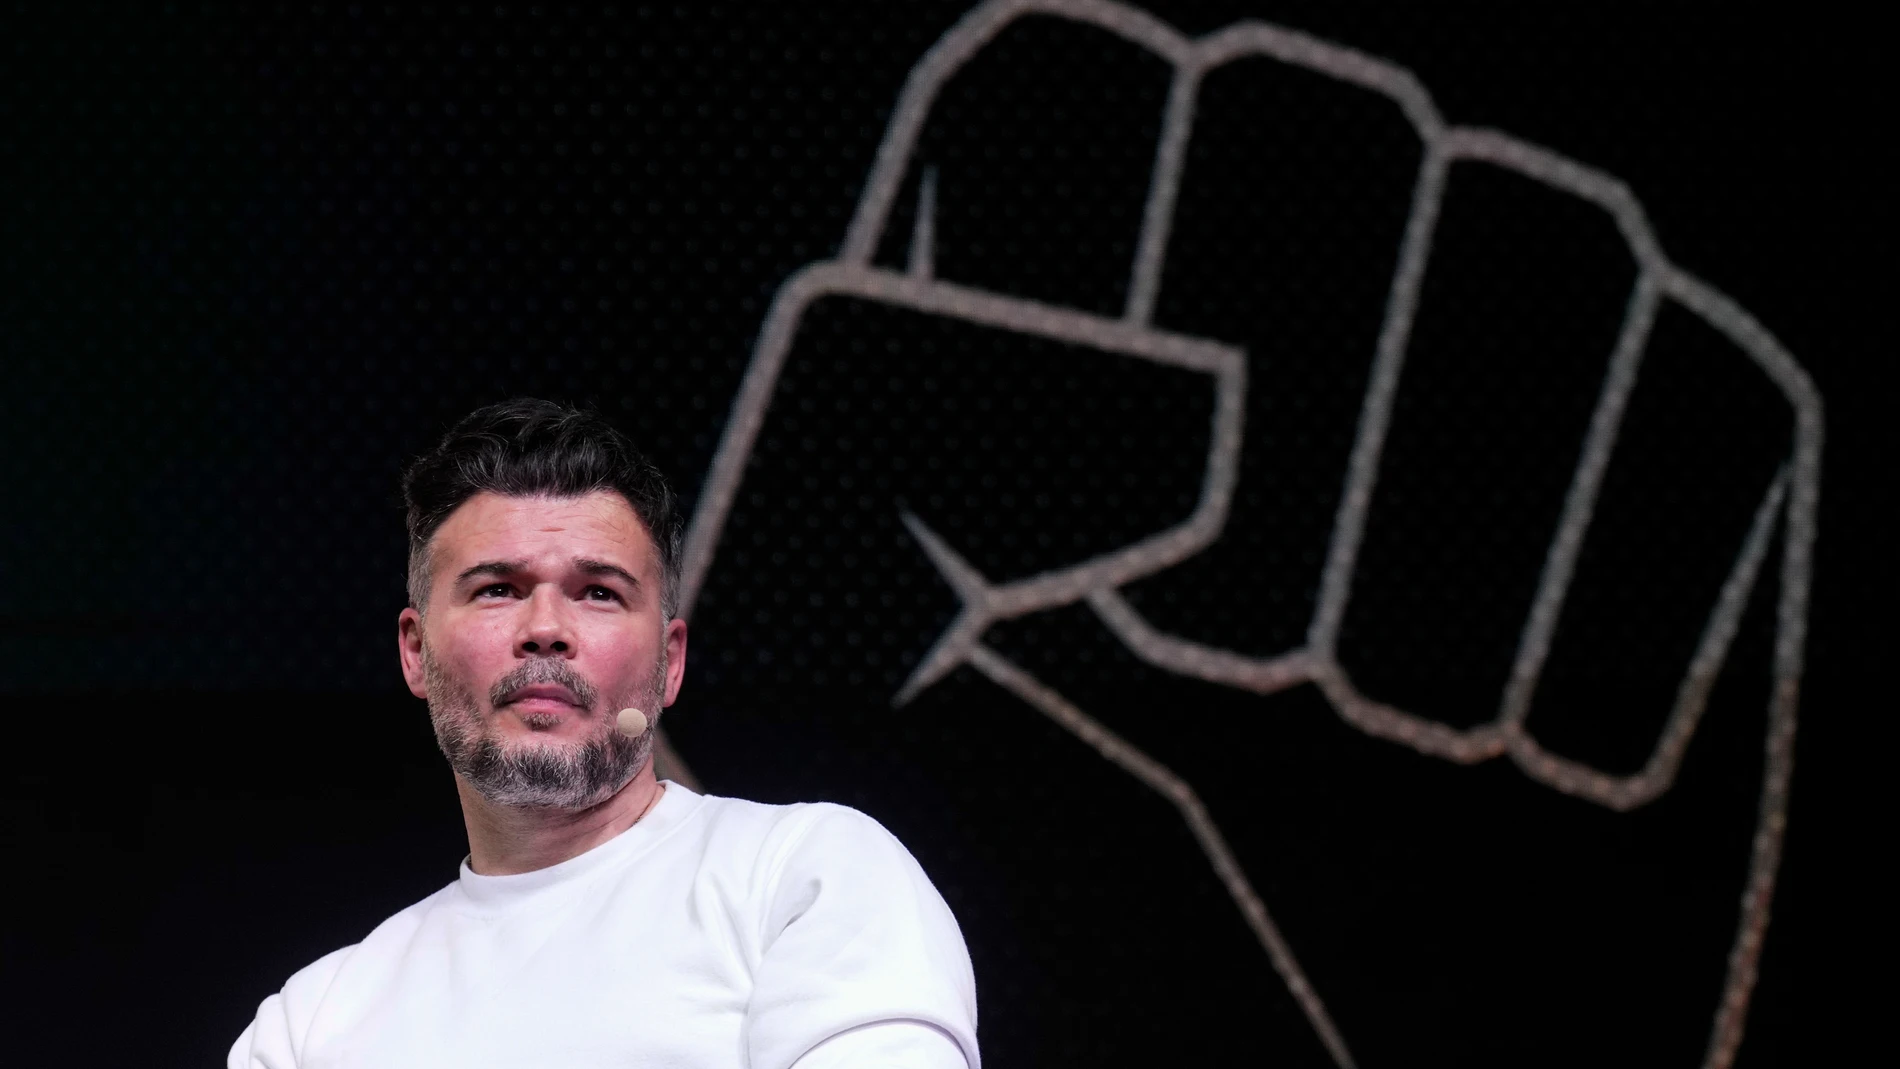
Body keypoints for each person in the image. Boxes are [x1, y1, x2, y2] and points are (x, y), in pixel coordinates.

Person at [227, 399, 980, 1069]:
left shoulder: (806, 876)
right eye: (497, 589)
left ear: (670, 662)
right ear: (416, 650)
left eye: (598, 593)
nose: (546, 629)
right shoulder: (309, 1024)